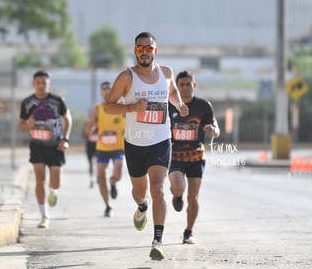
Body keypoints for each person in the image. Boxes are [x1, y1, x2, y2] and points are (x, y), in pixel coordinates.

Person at [104, 31, 189, 260]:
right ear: (135, 51)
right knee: (140, 193)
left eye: (148, 48)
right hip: (135, 142)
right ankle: (142, 207)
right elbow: (108, 106)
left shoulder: (167, 73)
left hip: (161, 140)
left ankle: (157, 241)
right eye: (140, 48)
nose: (144, 52)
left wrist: (179, 104)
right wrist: (131, 108)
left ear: (155, 51)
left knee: (158, 187)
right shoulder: (126, 77)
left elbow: (171, 92)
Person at [168, 70, 220, 244]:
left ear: (194, 85)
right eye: (181, 85)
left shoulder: (203, 106)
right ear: (176, 87)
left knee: (193, 197)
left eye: (188, 84)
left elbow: (215, 128)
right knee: (178, 187)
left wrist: (213, 131)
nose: (185, 87)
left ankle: (188, 231)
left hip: (196, 156)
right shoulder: (170, 105)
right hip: (175, 155)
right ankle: (176, 195)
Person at [19, 70, 72, 229]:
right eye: (38, 83)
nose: (41, 86)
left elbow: (68, 118)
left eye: (44, 83)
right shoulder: (27, 103)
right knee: (40, 180)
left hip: (56, 145)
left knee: (55, 182)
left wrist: (65, 139)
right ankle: (44, 216)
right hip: (37, 146)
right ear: (33, 84)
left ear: (48, 84)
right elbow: (21, 125)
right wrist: (27, 124)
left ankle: (53, 191)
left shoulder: (57, 101)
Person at [85, 81, 126, 218]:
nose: (107, 91)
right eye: (104, 89)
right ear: (101, 92)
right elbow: (89, 127)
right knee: (101, 176)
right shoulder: (97, 108)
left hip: (118, 147)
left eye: (110, 88)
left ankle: (113, 181)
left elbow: (132, 121)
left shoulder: (122, 107)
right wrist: (91, 128)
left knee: (118, 171)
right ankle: (108, 206)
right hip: (102, 147)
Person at [83, 121, 98, 188]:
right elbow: (83, 135)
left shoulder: (100, 123)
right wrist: (89, 131)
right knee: (90, 164)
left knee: (99, 163)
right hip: (90, 146)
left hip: (98, 146)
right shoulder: (87, 124)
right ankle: (91, 179)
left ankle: (98, 177)